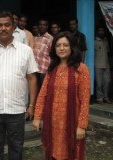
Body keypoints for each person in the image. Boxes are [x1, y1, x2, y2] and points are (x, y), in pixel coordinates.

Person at [0, 11, 38, 160]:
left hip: (17, 110)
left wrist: (31, 105)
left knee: (16, 149)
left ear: (13, 27)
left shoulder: (26, 51)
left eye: (7, 25)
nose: (3, 28)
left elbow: (32, 78)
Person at [33, 31, 91, 160]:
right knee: (53, 154)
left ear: (72, 47)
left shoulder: (81, 69)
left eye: (65, 45)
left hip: (72, 123)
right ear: (54, 48)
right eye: (58, 45)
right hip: (53, 123)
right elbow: (43, 94)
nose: (62, 48)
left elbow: (85, 100)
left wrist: (82, 126)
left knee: (72, 154)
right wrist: (37, 116)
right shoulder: (52, 68)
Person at [33, 18, 53, 90]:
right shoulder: (35, 38)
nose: (42, 26)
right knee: (36, 89)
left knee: (44, 90)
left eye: (44, 25)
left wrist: (51, 69)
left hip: (44, 70)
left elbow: (53, 55)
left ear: (47, 27)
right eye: (40, 25)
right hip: (35, 69)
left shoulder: (50, 38)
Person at [94, 26, 112, 104]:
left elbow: (108, 53)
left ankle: (106, 97)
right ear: (97, 32)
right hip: (98, 65)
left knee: (107, 82)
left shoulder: (106, 41)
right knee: (99, 84)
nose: (101, 32)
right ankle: (99, 98)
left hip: (106, 65)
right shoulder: (94, 41)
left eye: (102, 30)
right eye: (99, 30)